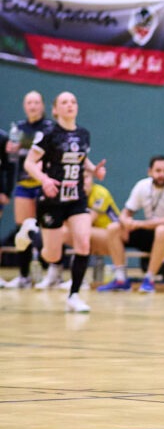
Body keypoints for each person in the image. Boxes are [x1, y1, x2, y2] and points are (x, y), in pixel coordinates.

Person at [22, 92, 107, 313]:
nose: (70, 105)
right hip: (52, 200)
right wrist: (44, 179)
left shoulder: (83, 134)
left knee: (83, 242)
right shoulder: (49, 134)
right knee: (53, 255)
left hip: (76, 197)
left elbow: (80, 158)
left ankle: (74, 295)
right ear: (55, 110)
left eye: (73, 102)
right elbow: (29, 163)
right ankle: (32, 232)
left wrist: (94, 169)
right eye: (64, 102)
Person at [96, 156, 164, 294]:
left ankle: (149, 279)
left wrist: (138, 224)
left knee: (162, 229)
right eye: (158, 171)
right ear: (150, 171)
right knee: (114, 228)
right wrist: (125, 223)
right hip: (152, 233)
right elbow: (125, 213)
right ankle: (120, 279)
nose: (162, 175)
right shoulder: (142, 186)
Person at [3, 92, 54, 290]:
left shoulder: (49, 128)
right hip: (23, 185)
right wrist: (11, 150)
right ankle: (24, 276)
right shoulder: (18, 129)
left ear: (43, 106)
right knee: (22, 230)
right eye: (29, 102)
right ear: (24, 106)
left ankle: (51, 273)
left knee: (47, 228)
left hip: (43, 183)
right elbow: (12, 159)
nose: (33, 106)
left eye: (36, 102)